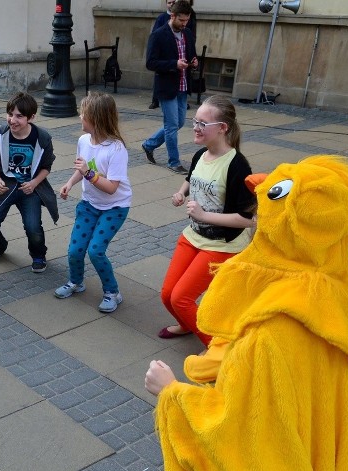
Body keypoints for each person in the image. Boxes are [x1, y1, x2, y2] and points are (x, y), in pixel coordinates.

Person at [145, 155, 348, 471]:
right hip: (308, 464)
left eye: (262, 213)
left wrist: (171, 394)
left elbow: (237, 431)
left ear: (280, 227)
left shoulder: (268, 334)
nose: (256, 224)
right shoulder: (337, 305)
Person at [158, 95, 254, 345]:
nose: (195, 127)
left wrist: (203, 215)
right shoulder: (201, 154)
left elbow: (247, 220)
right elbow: (192, 178)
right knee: (168, 295)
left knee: (181, 298)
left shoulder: (237, 166)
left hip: (222, 244)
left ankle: (215, 349)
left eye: (203, 123)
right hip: (194, 235)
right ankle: (186, 323)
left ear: (222, 128)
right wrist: (181, 191)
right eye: (195, 121)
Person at [55, 92, 131, 313]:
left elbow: (111, 188)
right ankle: (76, 282)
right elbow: (82, 168)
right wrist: (70, 183)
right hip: (89, 204)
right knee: (75, 250)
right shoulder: (83, 141)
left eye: (83, 114)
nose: (80, 117)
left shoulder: (116, 150)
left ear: (96, 119)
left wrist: (89, 174)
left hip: (115, 207)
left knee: (96, 251)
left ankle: (112, 292)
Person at [0, 92, 57, 273]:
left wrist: (34, 183)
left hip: (29, 189)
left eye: (19, 116)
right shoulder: (0, 134)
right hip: (5, 186)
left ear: (31, 117)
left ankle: (38, 255)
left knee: (33, 228)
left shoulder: (42, 138)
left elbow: (46, 167)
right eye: (10, 114)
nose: (12, 120)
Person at [141, 0, 197, 175]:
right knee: (172, 126)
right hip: (166, 87)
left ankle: (149, 144)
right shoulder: (158, 35)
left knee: (178, 123)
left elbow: (190, 55)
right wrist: (174, 64)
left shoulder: (187, 33)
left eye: (187, 20)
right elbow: (150, 63)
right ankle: (174, 162)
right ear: (172, 16)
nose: (184, 24)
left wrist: (193, 62)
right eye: (181, 20)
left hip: (182, 85)